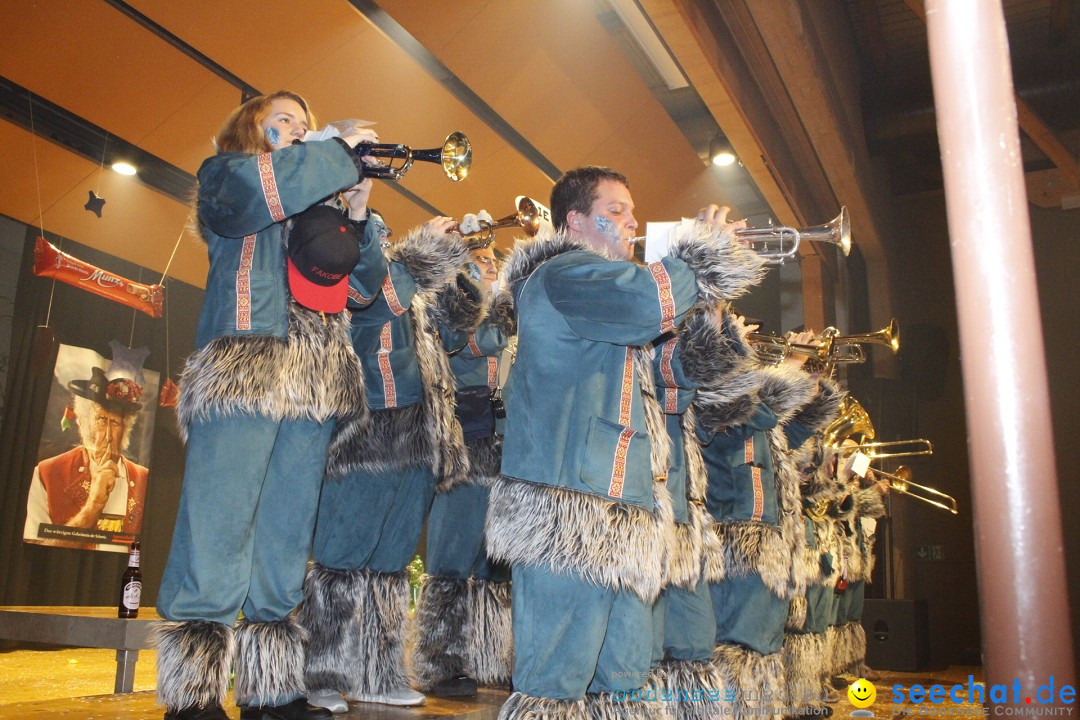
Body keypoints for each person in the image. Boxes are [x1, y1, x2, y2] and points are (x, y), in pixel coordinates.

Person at [486, 166, 767, 720]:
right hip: (569, 507)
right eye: (615, 211)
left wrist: (709, 308)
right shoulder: (566, 273)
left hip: (624, 509)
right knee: (556, 678)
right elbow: (647, 304)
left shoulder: (605, 296)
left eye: (631, 212)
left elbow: (689, 378)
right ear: (575, 221)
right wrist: (697, 257)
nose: (632, 222)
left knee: (626, 672)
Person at [154, 91, 386, 720]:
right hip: (246, 367)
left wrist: (357, 213)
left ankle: (270, 688)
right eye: (283, 121)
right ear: (250, 129)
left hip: (311, 382)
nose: (297, 130)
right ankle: (194, 693)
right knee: (219, 521)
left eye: (304, 125)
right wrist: (331, 151)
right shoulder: (227, 176)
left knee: (285, 533)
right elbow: (260, 195)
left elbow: (366, 292)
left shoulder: (316, 196)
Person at [298, 205, 471, 711]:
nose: (385, 238)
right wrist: (425, 250)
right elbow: (375, 294)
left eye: (384, 233)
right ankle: (320, 675)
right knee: (340, 559)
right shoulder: (353, 268)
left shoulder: (414, 286)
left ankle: (377, 673)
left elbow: (460, 333)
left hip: (419, 433)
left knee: (392, 563)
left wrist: (464, 259)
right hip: (366, 429)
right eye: (376, 233)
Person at [692, 311, 842, 720]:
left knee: (762, 645)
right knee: (738, 644)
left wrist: (810, 388)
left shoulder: (757, 405)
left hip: (768, 537)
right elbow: (744, 419)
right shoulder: (716, 389)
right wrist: (789, 365)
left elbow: (782, 432)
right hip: (737, 533)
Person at [411, 239, 516, 697]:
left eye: (493, 261)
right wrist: (496, 306)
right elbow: (473, 343)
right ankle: (439, 661)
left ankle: (490, 658)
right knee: (453, 554)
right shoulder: (451, 310)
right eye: (479, 262)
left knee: (494, 561)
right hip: (465, 437)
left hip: (502, 441)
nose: (489, 268)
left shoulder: (500, 313)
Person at [24, 366, 148, 551]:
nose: (108, 436)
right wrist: (93, 506)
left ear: (126, 429)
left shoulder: (143, 478)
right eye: (101, 420)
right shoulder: (47, 473)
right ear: (81, 422)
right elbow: (35, 548)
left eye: (114, 423)